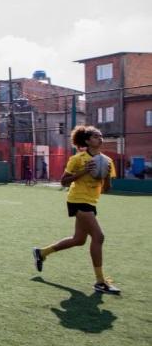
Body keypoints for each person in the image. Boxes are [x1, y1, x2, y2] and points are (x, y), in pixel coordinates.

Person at [32, 126, 119, 294]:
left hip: (91, 202)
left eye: (101, 136)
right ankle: (100, 282)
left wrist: (107, 176)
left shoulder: (107, 161)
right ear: (87, 141)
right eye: (95, 136)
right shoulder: (77, 159)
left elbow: (106, 189)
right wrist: (84, 171)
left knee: (79, 240)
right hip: (77, 200)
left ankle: (41, 252)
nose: (100, 139)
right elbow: (64, 181)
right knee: (99, 237)